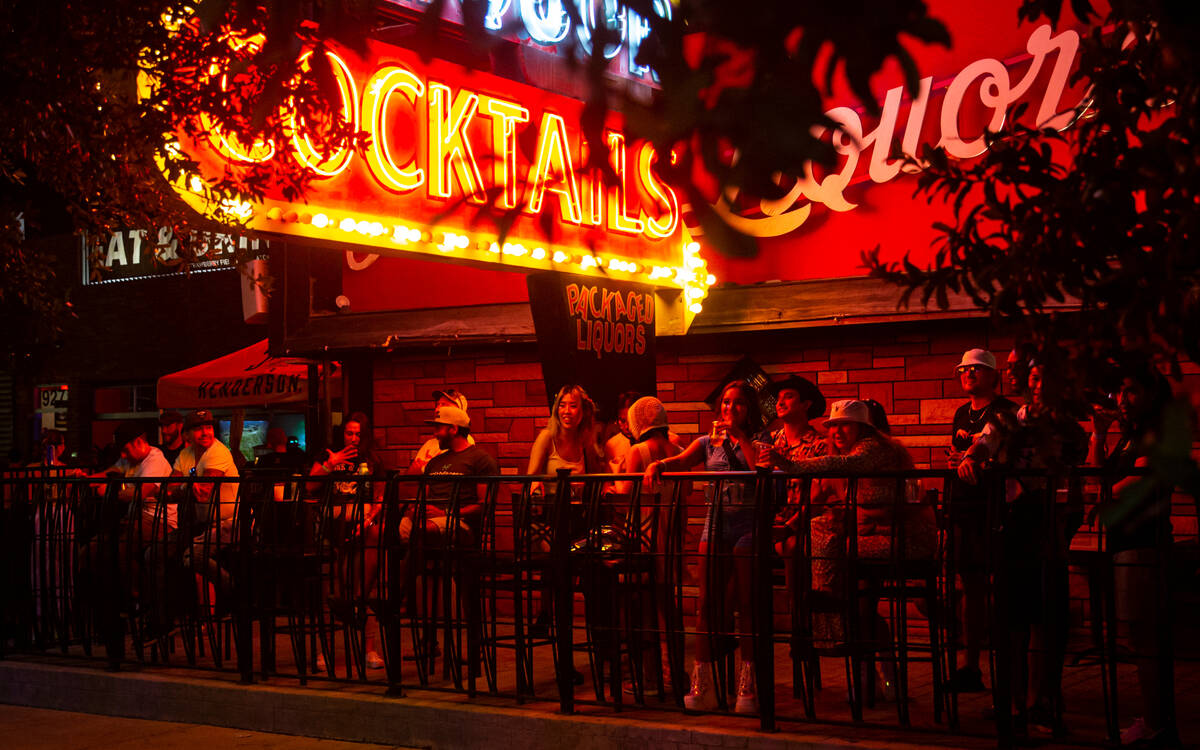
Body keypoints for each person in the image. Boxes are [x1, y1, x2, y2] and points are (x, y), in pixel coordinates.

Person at [767, 399, 935, 700]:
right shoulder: (843, 456)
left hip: (904, 539)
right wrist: (789, 527)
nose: (837, 431)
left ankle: (825, 618)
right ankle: (876, 676)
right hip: (866, 542)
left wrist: (788, 464)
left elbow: (844, 468)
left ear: (863, 427)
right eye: (832, 426)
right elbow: (818, 497)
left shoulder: (873, 449)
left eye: (844, 424)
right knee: (857, 600)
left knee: (835, 559)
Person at [960, 361, 1087, 738]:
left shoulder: (1067, 426)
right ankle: (1014, 704)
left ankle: (1040, 702)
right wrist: (970, 459)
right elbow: (981, 446)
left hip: (1052, 523)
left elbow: (1078, 468)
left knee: (1046, 620)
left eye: (1045, 377)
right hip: (1017, 522)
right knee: (1014, 619)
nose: (1038, 384)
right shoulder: (1007, 421)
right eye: (1033, 377)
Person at [644, 379, 765, 714]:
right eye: (726, 402)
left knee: (747, 603)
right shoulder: (707, 442)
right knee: (707, 603)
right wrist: (659, 465)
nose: (730, 408)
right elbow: (682, 460)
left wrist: (739, 437)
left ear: (749, 408)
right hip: (716, 522)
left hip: (748, 523)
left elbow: (761, 469)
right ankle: (703, 684)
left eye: (738, 403)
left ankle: (749, 685)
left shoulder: (759, 440)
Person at [1089, 363, 1178, 747]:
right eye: (1119, 393)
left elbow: (1140, 479)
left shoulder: (1157, 432)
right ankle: (1156, 718)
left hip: (1146, 539)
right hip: (1123, 539)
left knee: (1147, 637)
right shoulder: (1130, 436)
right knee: (1138, 635)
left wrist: (1104, 499)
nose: (1122, 400)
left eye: (1131, 392)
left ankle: (1159, 724)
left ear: (1150, 394)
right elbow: (1098, 475)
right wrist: (1098, 434)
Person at [944, 349, 1016, 693]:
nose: (968, 374)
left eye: (976, 369)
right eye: (964, 370)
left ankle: (1005, 669)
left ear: (992, 375)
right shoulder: (961, 412)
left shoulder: (1005, 410)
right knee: (968, 584)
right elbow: (956, 453)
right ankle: (970, 665)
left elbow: (998, 449)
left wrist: (973, 458)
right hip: (964, 503)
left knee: (998, 584)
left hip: (993, 504)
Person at [308, 412, 388, 669]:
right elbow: (309, 486)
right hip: (332, 525)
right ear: (342, 433)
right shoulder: (328, 455)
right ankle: (325, 650)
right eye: (349, 433)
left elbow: (379, 499)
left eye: (358, 434)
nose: (353, 438)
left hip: (361, 525)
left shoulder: (372, 460)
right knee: (330, 587)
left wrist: (369, 520)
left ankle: (369, 647)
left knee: (365, 583)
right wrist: (331, 464)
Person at [407, 389, 474, 474]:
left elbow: (450, 472)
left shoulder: (466, 442)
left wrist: (422, 470)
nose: (437, 409)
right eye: (437, 404)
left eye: (444, 405)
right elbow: (411, 475)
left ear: (459, 411)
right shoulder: (429, 444)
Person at [604, 391, 642, 473]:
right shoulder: (612, 445)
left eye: (631, 421)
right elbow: (607, 483)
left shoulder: (653, 441)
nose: (627, 427)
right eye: (622, 421)